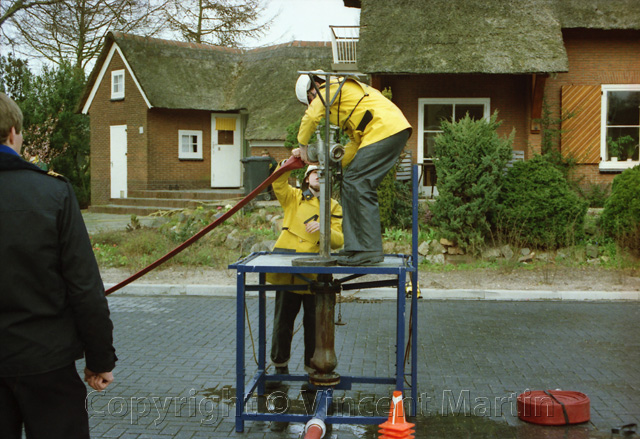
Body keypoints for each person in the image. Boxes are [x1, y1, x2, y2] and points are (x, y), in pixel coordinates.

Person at [0, 92, 117, 439]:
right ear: (12, 133)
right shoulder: (53, 193)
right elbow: (84, 287)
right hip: (45, 362)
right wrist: (99, 360)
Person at [295, 72, 412, 266]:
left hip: (385, 130)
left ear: (315, 86)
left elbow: (311, 116)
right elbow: (355, 144)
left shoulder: (329, 89)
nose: (312, 102)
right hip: (386, 131)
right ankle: (355, 247)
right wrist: (332, 162)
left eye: (310, 98)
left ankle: (369, 250)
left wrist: (303, 147)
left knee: (358, 182)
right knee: (350, 181)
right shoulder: (345, 99)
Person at [267, 148, 343, 379]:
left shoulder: (333, 206)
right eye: (314, 172)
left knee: (314, 327)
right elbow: (276, 182)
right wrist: (292, 160)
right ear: (306, 178)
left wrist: (324, 230)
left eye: (323, 173)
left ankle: (313, 370)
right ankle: (279, 366)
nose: (319, 176)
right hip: (289, 275)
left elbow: (339, 241)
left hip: (314, 277)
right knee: (282, 324)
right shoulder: (293, 197)